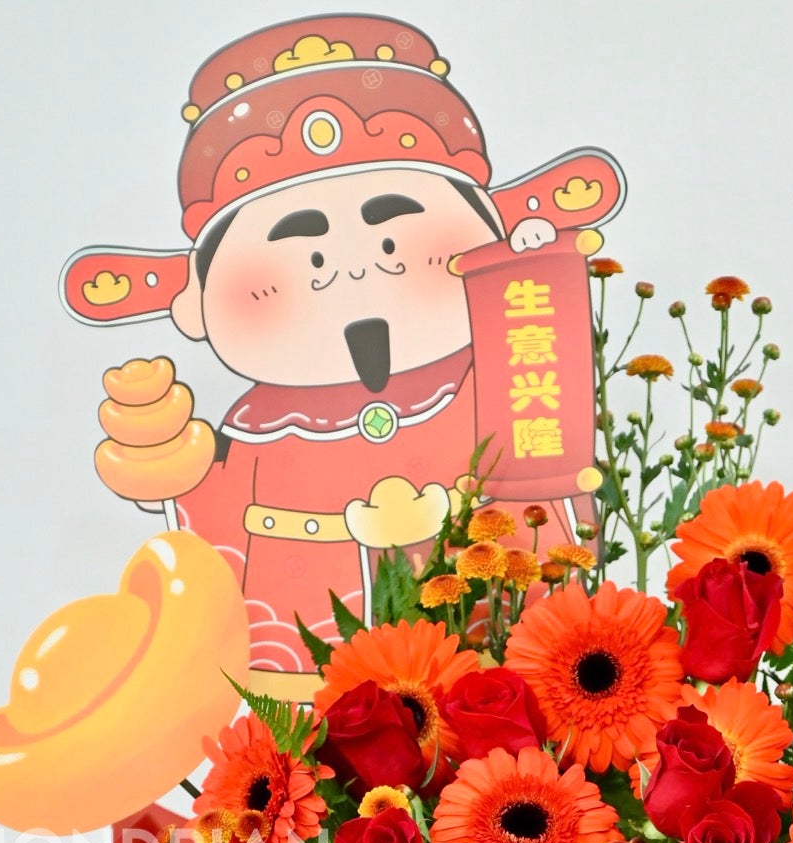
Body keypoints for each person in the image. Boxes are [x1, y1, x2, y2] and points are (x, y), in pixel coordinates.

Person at [63, 14, 624, 676]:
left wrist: (529, 288)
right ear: (196, 300)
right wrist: (173, 469)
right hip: (307, 665)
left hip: (497, 673)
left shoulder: (489, 373)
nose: (352, 267)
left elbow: (546, 453)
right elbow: (214, 516)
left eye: (391, 222)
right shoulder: (258, 432)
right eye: (299, 241)